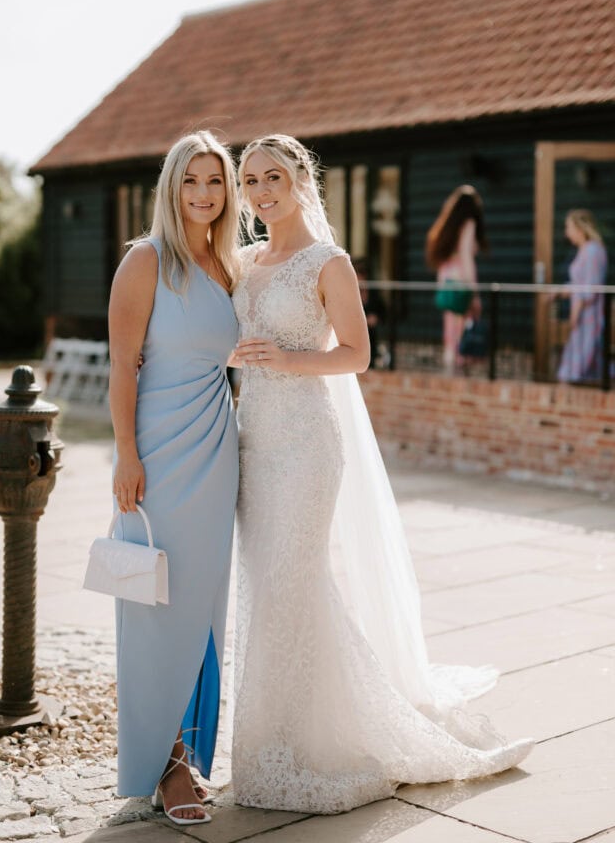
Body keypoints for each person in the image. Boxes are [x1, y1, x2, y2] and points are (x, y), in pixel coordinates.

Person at [230, 135, 533, 815]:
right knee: (268, 590)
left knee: (292, 582)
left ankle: (324, 744)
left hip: (307, 441)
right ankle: (270, 740)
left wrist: (283, 360)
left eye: (272, 176)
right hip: (255, 441)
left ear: (300, 179)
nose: (259, 192)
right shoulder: (244, 261)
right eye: (249, 180)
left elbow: (357, 355)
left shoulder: (326, 262)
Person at [108, 131, 240, 825]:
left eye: (215, 182)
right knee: (152, 606)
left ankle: (186, 752)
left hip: (218, 452)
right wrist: (126, 453)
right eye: (191, 181)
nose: (203, 194)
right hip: (157, 454)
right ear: (171, 186)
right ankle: (158, 763)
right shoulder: (145, 260)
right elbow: (122, 365)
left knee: (203, 609)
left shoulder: (226, 267)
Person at [425, 186, 488, 372]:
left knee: (451, 328)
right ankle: (459, 369)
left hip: (447, 279)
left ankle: (450, 365)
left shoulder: (448, 227)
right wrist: (474, 292)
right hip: (461, 279)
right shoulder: (468, 224)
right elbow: (466, 256)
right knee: (463, 327)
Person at [556, 209, 608, 382]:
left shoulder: (593, 251)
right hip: (582, 320)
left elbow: (590, 288)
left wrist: (576, 310)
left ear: (580, 228)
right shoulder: (585, 250)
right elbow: (579, 283)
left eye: (568, 227)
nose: (566, 233)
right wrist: (559, 292)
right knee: (583, 369)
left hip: (589, 318)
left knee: (576, 369)